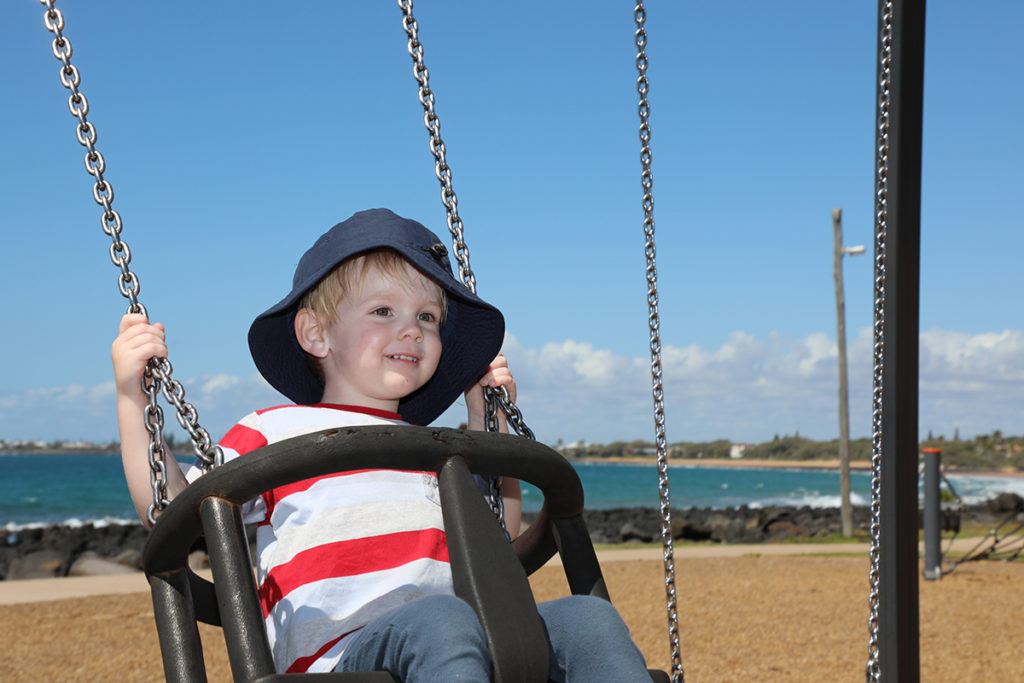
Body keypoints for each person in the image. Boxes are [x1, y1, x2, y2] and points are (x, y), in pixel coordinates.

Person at [112, 208, 650, 680]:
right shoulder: (275, 431)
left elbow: (498, 544)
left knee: (587, 619)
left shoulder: (439, 450)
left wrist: (488, 423)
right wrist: (133, 400)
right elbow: (169, 508)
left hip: (469, 643)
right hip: (342, 661)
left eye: (428, 317)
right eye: (383, 312)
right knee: (441, 621)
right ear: (316, 334)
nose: (412, 331)